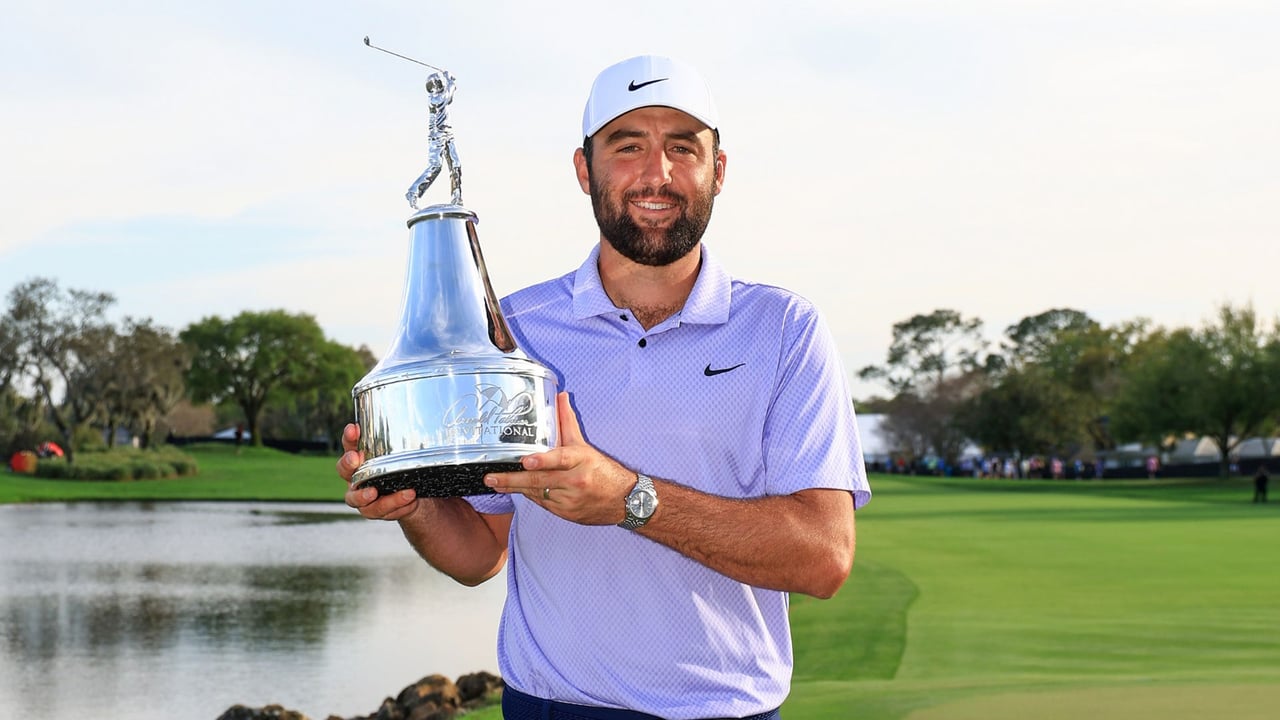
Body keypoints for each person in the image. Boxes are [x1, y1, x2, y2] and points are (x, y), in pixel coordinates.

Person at [338, 55, 870, 720]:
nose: (658, 173)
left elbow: (823, 558)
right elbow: (479, 555)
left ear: (719, 171)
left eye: (683, 147)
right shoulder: (511, 333)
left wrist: (628, 499)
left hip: (725, 711)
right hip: (551, 707)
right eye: (627, 146)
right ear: (584, 170)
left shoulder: (784, 329)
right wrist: (413, 502)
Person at [406, 70, 463, 208]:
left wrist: (450, 83)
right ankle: (413, 191)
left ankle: (456, 197)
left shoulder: (441, 95)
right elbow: (447, 97)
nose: (440, 84)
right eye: (439, 82)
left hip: (448, 133)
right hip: (437, 136)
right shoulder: (434, 99)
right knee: (435, 166)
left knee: (455, 164)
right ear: (434, 85)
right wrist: (451, 81)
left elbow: (450, 97)